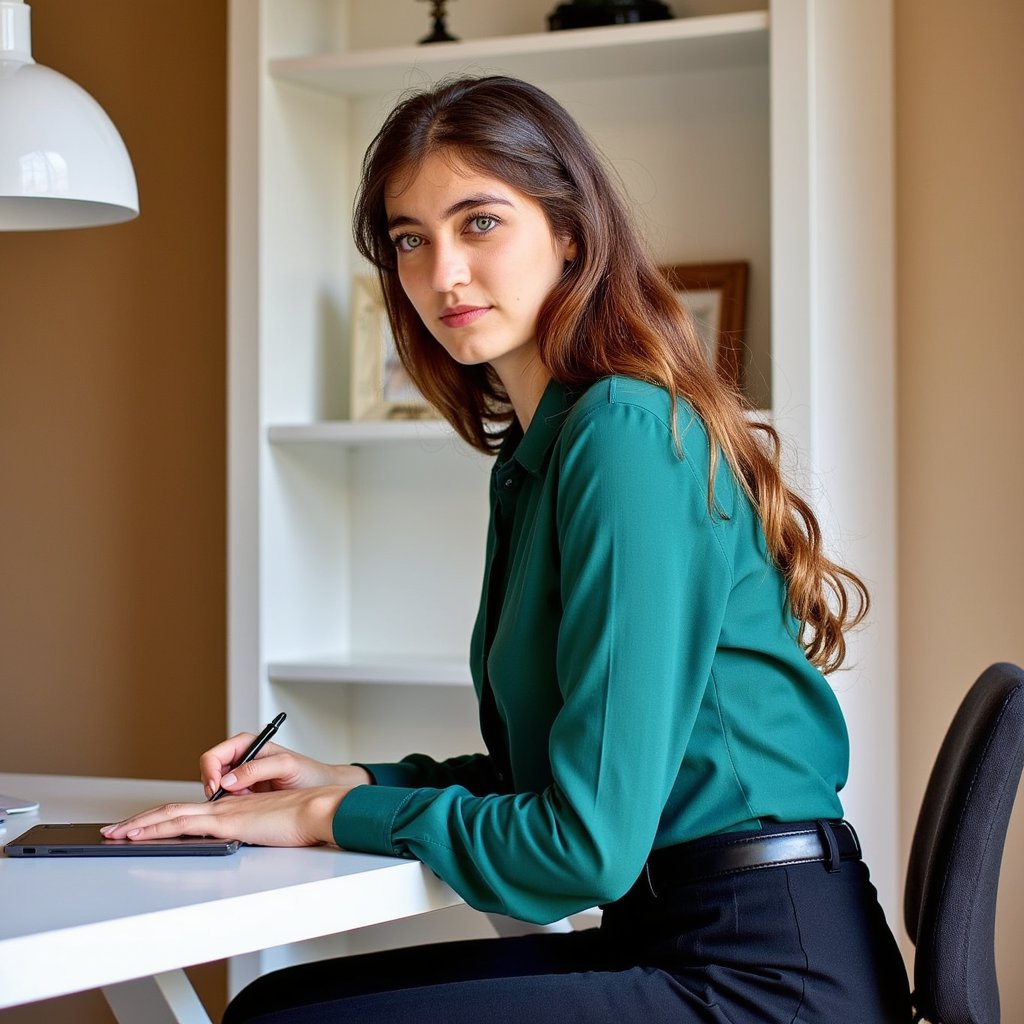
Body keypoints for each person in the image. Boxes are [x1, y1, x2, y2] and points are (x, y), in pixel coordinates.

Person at [102, 76, 911, 1022]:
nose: (442, 274)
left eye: (478, 223)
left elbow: (583, 849)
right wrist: (354, 783)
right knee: (274, 1005)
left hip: (770, 978)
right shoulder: (543, 452)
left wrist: (325, 817)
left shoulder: (624, 434)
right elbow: (560, 786)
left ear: (570, 230)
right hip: (679, 939)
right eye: (411, 239)